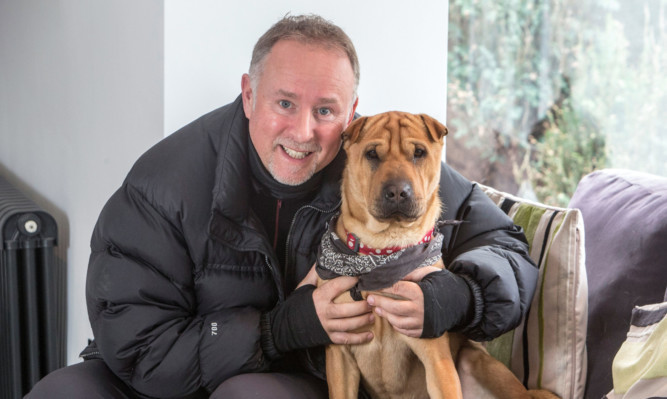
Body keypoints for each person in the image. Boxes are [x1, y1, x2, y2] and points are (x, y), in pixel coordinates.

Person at [27, 14, 538, 399]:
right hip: (159, 372)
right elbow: (138, 346)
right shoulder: (163, 184)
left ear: (351, 114)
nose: (303, 132)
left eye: (325, 110)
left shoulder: (375, 160)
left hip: (294, 377)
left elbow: (505, 245)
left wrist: (457, 296)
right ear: (249, 95)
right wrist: (280, 328)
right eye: (284, 103)